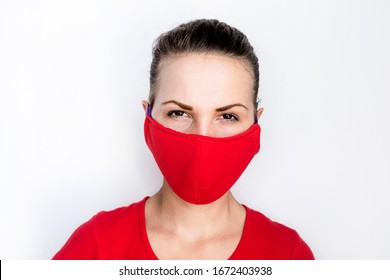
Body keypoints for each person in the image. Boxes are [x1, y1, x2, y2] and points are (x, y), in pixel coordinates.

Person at [53, 19, 314, 260]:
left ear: (257, 122)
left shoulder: (287, 255)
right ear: (148, 116)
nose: (201, 136)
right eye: (179, 113)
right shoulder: (94, 247)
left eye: (228, 116)